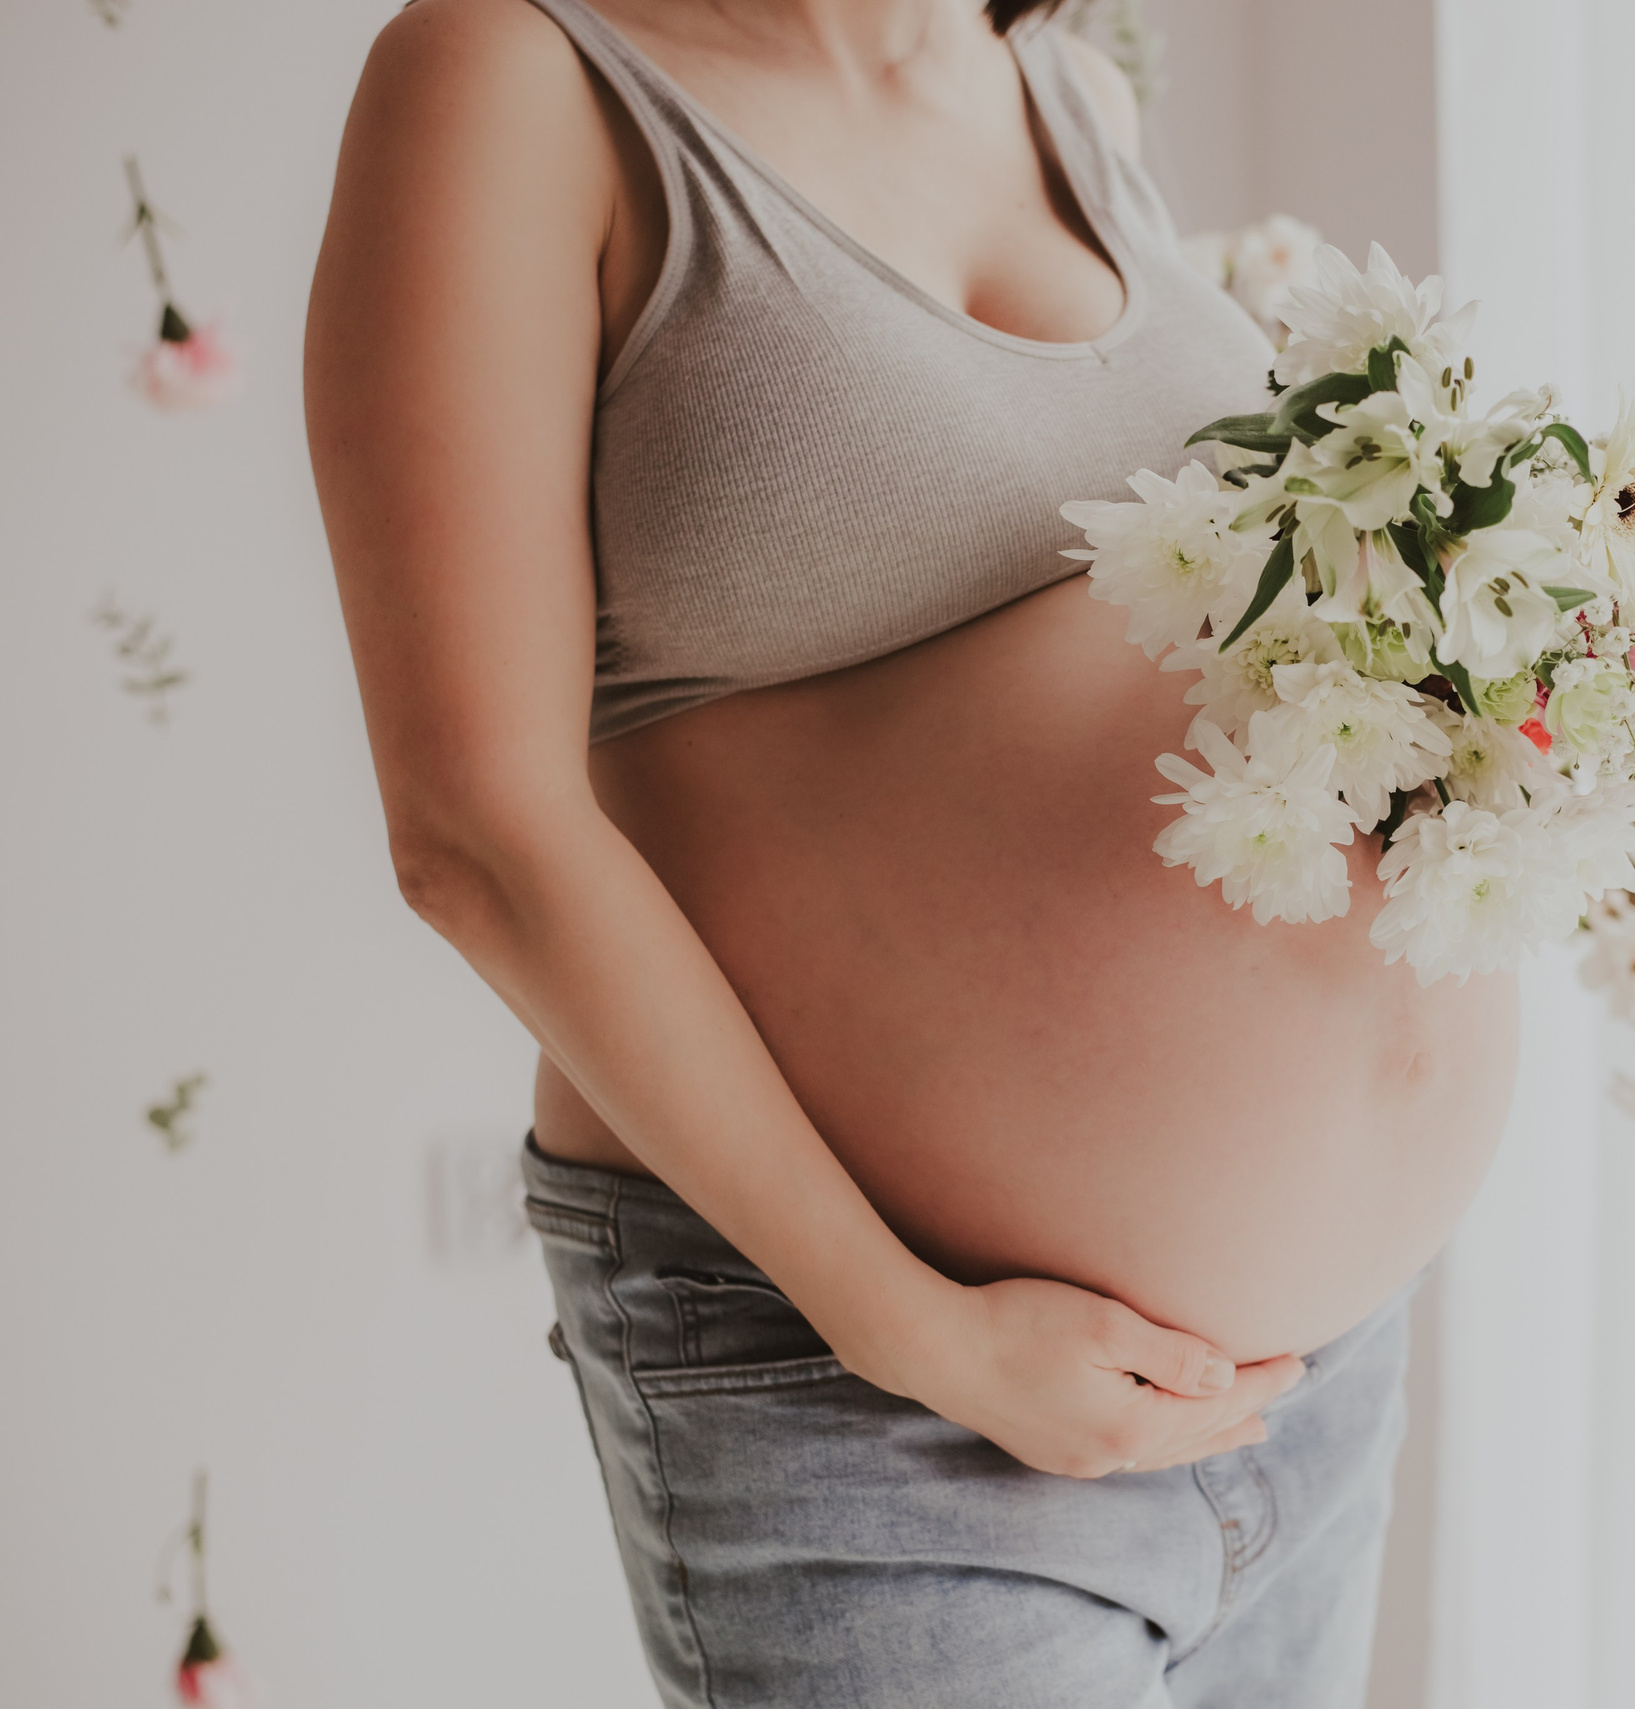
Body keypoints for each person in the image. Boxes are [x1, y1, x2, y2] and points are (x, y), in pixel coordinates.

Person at [304, 0, 1517, 1700]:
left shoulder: (1070, 90)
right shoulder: (515, 78)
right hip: (862, 1378)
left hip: (1298, 1392)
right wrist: (912, 1324)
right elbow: (476, 827)